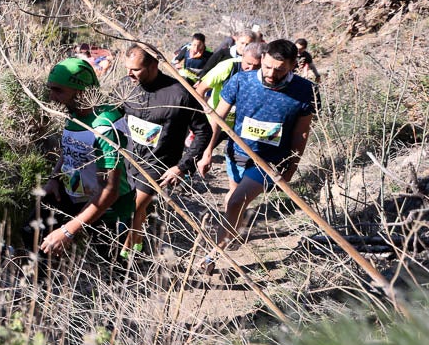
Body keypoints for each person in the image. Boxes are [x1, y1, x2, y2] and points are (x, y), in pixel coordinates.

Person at [196, 40, 318, 270]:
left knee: (234, 202)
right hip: (237, 151)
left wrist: (290, 168)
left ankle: (211, 256)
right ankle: (233, 232)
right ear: (262, 59)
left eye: (280, 70)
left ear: (293, 65)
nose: (272, 74)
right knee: (233, 201)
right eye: (268, 67)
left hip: (270, 160)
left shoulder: (305, 91)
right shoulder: (242, 81)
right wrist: (208, 151)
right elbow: (217, 120)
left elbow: (301, 134)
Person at [118, 46, 211, 256]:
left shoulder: (180, 94)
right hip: (127, 157)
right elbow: (112, 115)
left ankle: (122, 259)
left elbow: (203, 130)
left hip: (157, 164)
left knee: (134, 207)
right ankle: (139, 244)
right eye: (127, 69)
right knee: (136, 209)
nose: (129, 74)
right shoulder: (126, 86)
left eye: (135, 69)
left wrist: (182, 166)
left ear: (153, 65)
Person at [39, 58, 134, 258]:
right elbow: (69, 148)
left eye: (58, 90)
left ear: (80, 92)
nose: (51, 97)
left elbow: (110, 190)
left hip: (109, 213)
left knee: (113, 270)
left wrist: (68, 230)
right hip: (75, 198)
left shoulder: (105, 126)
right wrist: (54, 178)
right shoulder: (75, 112)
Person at [194, 42, 264, 170]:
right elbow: (201, 88)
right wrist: (201, 113)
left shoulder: (265, 74)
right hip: (216, 120)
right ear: (242, 56)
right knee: (200, 152)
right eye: (248, 64)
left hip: (240, 126)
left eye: (257, 65)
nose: (251, 69)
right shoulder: (228, 66)